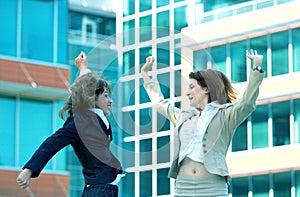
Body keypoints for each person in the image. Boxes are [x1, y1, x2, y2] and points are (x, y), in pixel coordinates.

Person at [141, 49, 264, 196]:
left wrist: (256, 68)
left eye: (192, 87)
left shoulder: (225, 115)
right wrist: (145, 75)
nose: (187, 93)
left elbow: (247, 103)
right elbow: (160, 103)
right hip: (183, 186)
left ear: (206, 89)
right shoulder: (183, 116)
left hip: (213, 187)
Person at [16, 51, 124, 197]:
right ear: (92, 97)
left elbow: (85, 87)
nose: (110, 100)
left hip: (106, 190)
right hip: (98, 191)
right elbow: (52, 143)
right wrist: (29, 169)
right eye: (106, 96)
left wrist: (83, 67)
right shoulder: (81, 121)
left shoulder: (95, 117)